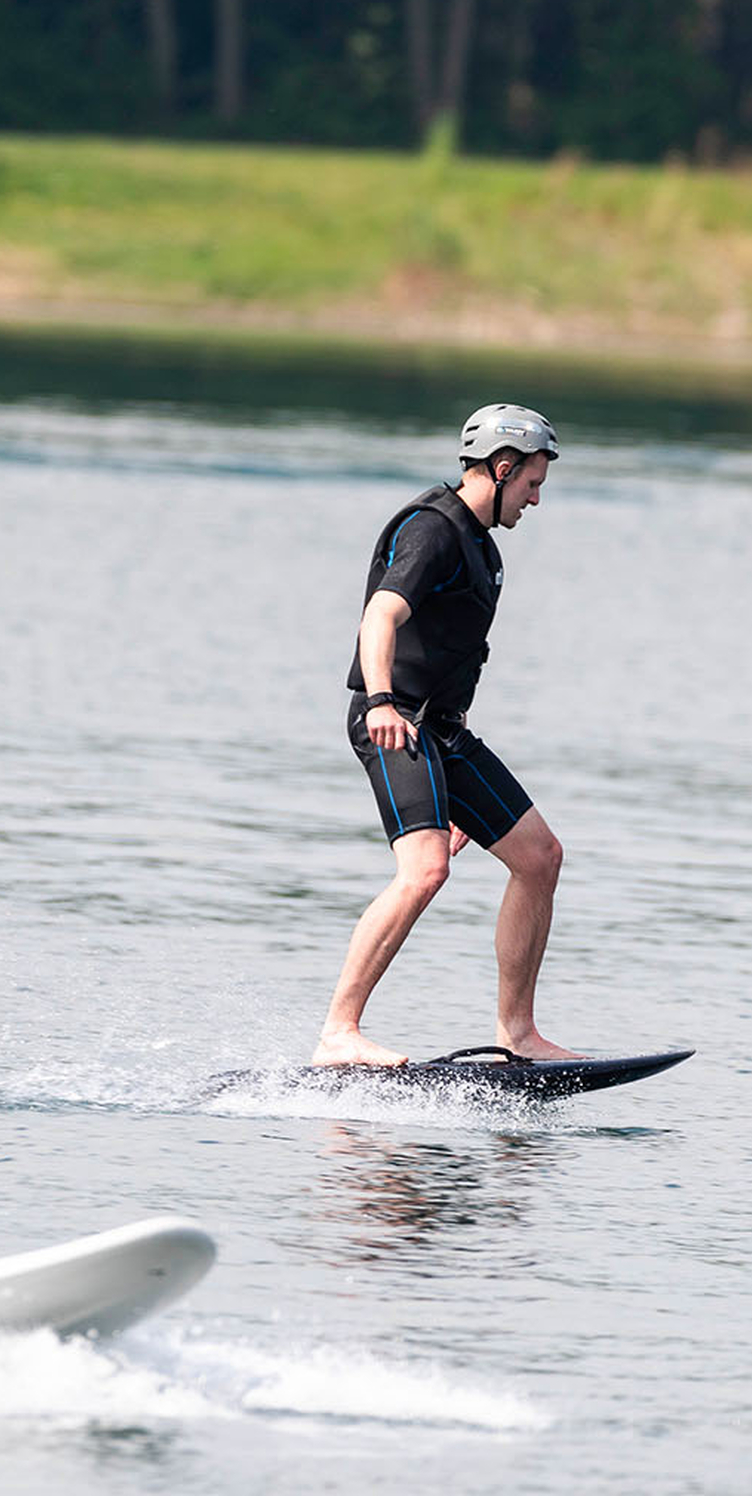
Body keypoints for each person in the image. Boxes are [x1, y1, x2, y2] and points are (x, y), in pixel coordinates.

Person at [313, 404, 572, 1068]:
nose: (535, 499)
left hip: (445, 735)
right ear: (502, 468)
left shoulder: (482, 548)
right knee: (425, 869)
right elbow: (380, 616)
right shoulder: (433, 529)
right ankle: (338, 1032)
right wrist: (379, 701)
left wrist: (457, 796)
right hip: (395, 722)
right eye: (532, 483)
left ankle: (518, 1033)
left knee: (540, 857)